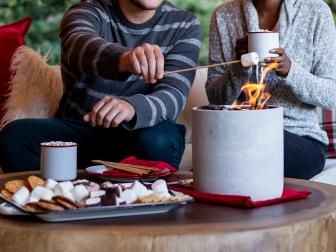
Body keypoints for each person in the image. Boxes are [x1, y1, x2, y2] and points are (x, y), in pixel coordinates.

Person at [0, 0, 201, 172]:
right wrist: (124, 58)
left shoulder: (185, 24)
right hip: (80, 135)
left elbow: (174, 94)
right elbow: (79, 46)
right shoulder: (87, 11)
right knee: (14, 136)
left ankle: (145, 204)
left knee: (161, 138)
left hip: (139, 135)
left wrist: (132, 107)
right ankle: (61, 200)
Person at [206, 0, 336, 179]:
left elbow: (332, 94)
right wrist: (239, 67)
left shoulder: (316, 11)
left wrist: (291, 71)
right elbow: (215, 97)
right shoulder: (223, 16)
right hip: (238, 132)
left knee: (249, 150)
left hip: (301, 138)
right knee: (224, 152)